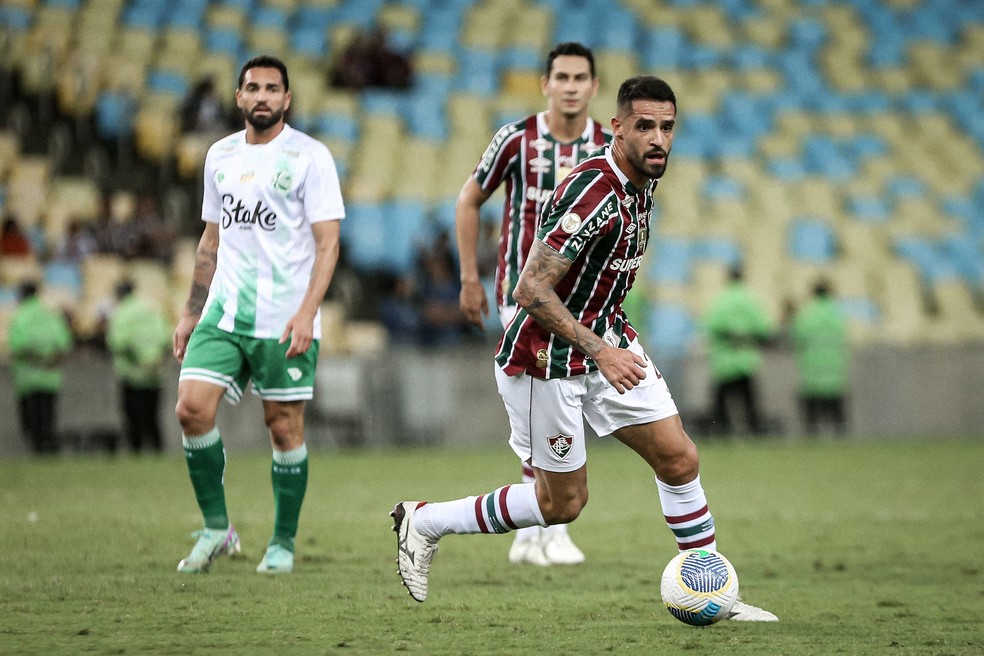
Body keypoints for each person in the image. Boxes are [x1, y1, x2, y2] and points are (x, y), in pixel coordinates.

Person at [392, 76, 777, 621]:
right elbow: (528, 289)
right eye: (645, 126)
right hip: (544, 362)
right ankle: (425, 521)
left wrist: (606, 346)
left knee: (679, 456)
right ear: (617, 128)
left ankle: (711, 587)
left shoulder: (642, 182)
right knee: (562, 504)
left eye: (667, 127)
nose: (658, 139)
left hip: (606, 342)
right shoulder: (591, 190)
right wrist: (601, 352)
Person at [171, 55, 345, 575]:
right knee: (190, 409)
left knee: (283, 429)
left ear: (287, 100)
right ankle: (215, 528)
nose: (263, 96)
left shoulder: (311, 157)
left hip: (283, 317)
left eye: (273, 88)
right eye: (253, 88)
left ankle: (283, 543)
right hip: (223, 313)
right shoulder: (219, 155)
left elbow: (328, 243)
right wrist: (189, 312)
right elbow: (211, 238)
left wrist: (307, 314)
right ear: (239, 97)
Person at [455, 41, 612, 566]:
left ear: (593, 86)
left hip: (582, 302)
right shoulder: (516, 139)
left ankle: (539, 526)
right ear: (545, 84)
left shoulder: (609, 148)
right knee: (544, 392)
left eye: (580, 78)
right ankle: (544, 527)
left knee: (560, 400)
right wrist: (468, 277)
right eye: (561, 77)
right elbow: (469, 199)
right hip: (520, 294)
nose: (570, 86)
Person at [703, 265, 773, 436]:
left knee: (721, 400)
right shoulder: (750, 299)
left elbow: (710, 326)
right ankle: (754, 430)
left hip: (724, 360)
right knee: (749, 399)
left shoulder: (721, 299)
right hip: (745, 359)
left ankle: (721, 430)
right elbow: (764, 328)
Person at [7, 281, 74, 454]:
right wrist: (50, 361)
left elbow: (17, 347)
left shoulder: (20, 317)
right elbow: (64, 343)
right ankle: (49, 449)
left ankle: (36, 450)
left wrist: (36, 360)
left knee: (31, 419)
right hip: (50, 376)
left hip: (27, 378)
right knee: (48, 416)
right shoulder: (51, 315)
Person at [106, 280, 172, 453]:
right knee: (153, 416)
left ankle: (136, 451)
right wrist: (154, 360)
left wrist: (138, 360)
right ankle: (157, 452)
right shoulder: (153, 309)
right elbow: (166, 338)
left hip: (131, 375)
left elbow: (118, 343)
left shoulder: (121, 312)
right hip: (155, 374)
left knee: (133, 417)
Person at [790, 278, 849, 435]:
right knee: (835, 402)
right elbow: (843, 338)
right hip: (833, 366)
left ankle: (811, 431)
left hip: (813, 366)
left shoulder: (808, 314)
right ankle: (840, 431)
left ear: (813, 294)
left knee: (813, 403)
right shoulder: (837, 314)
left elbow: (797, 336)